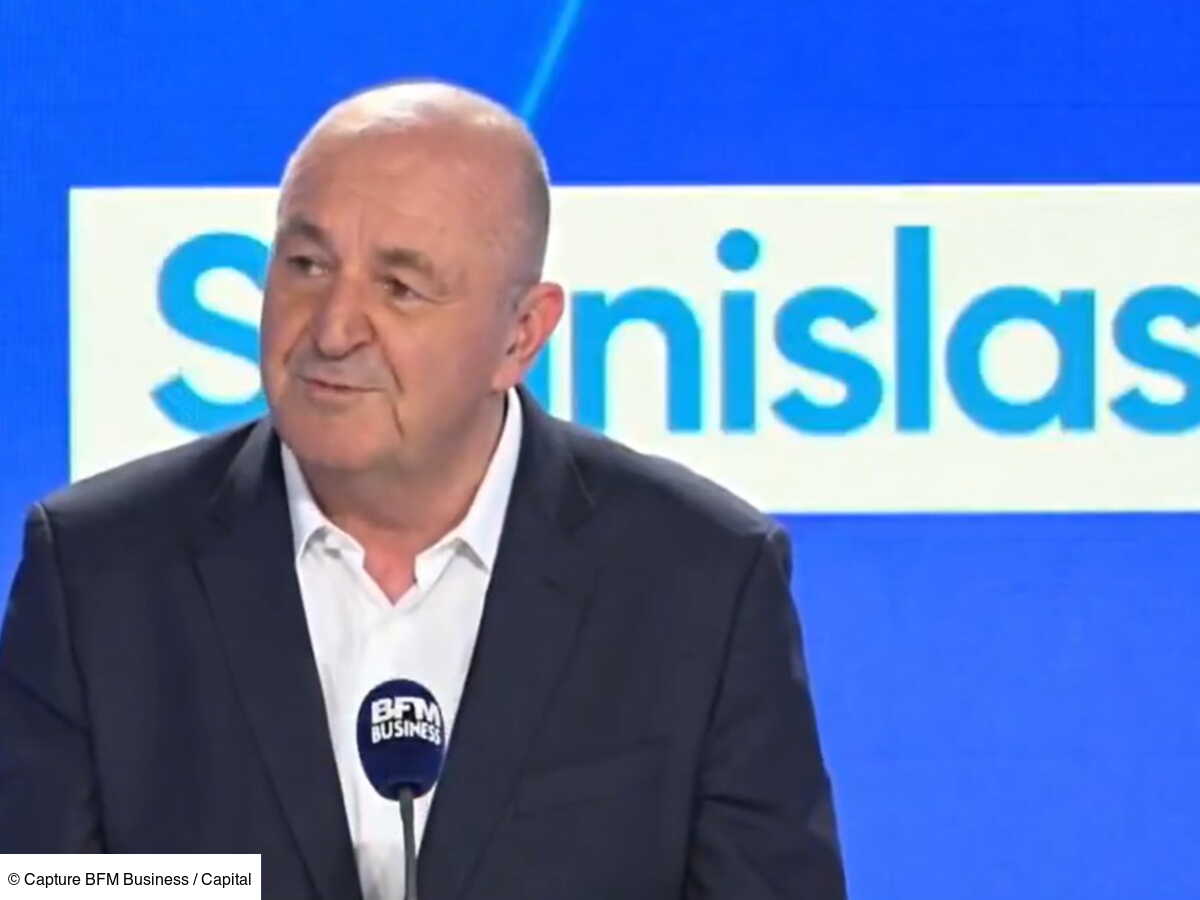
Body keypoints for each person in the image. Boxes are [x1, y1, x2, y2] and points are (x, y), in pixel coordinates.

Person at [0, 80, 846, 899]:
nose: (333, 328)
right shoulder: (98, 572)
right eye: (306, 264)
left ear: (521, 336)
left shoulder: (701, 580)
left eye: (400, 288)